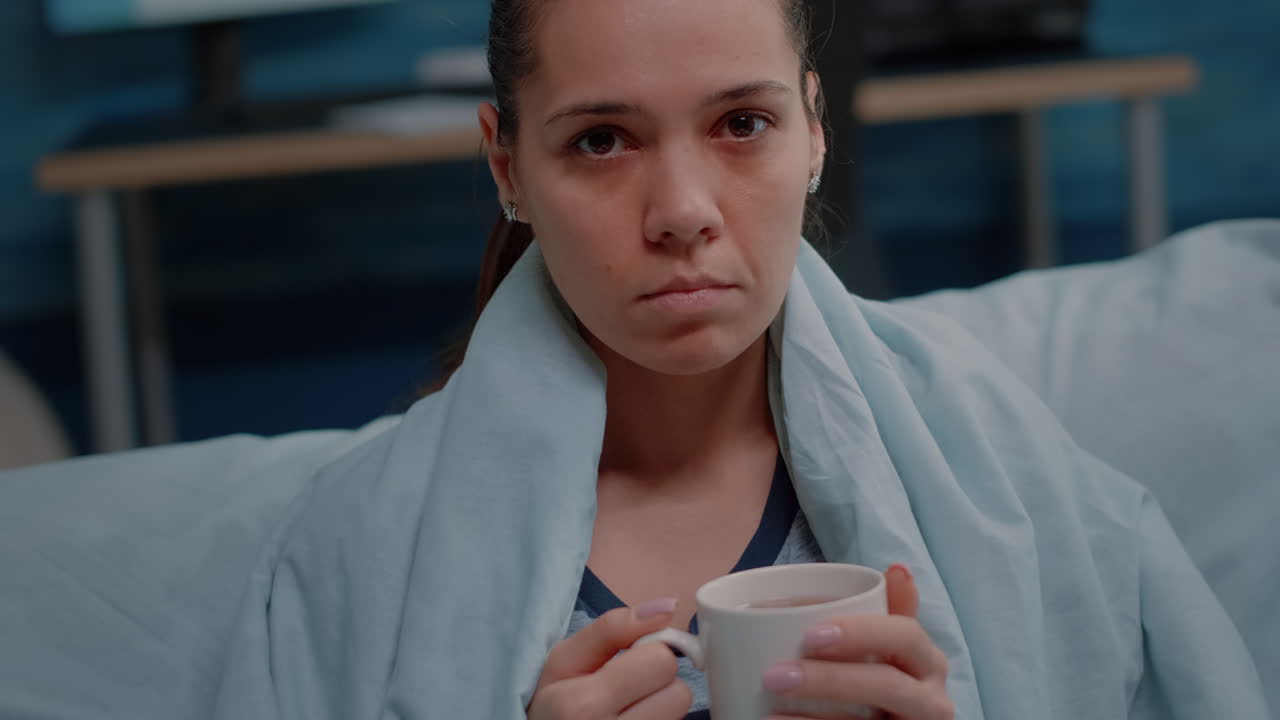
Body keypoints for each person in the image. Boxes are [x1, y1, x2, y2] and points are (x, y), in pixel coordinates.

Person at [0, 1, 1268, 718]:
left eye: (741, 125)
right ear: (507, 166)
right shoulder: (354, 555)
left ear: (815, 133)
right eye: (601, 141)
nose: (680, 209)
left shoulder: (1006, 477)